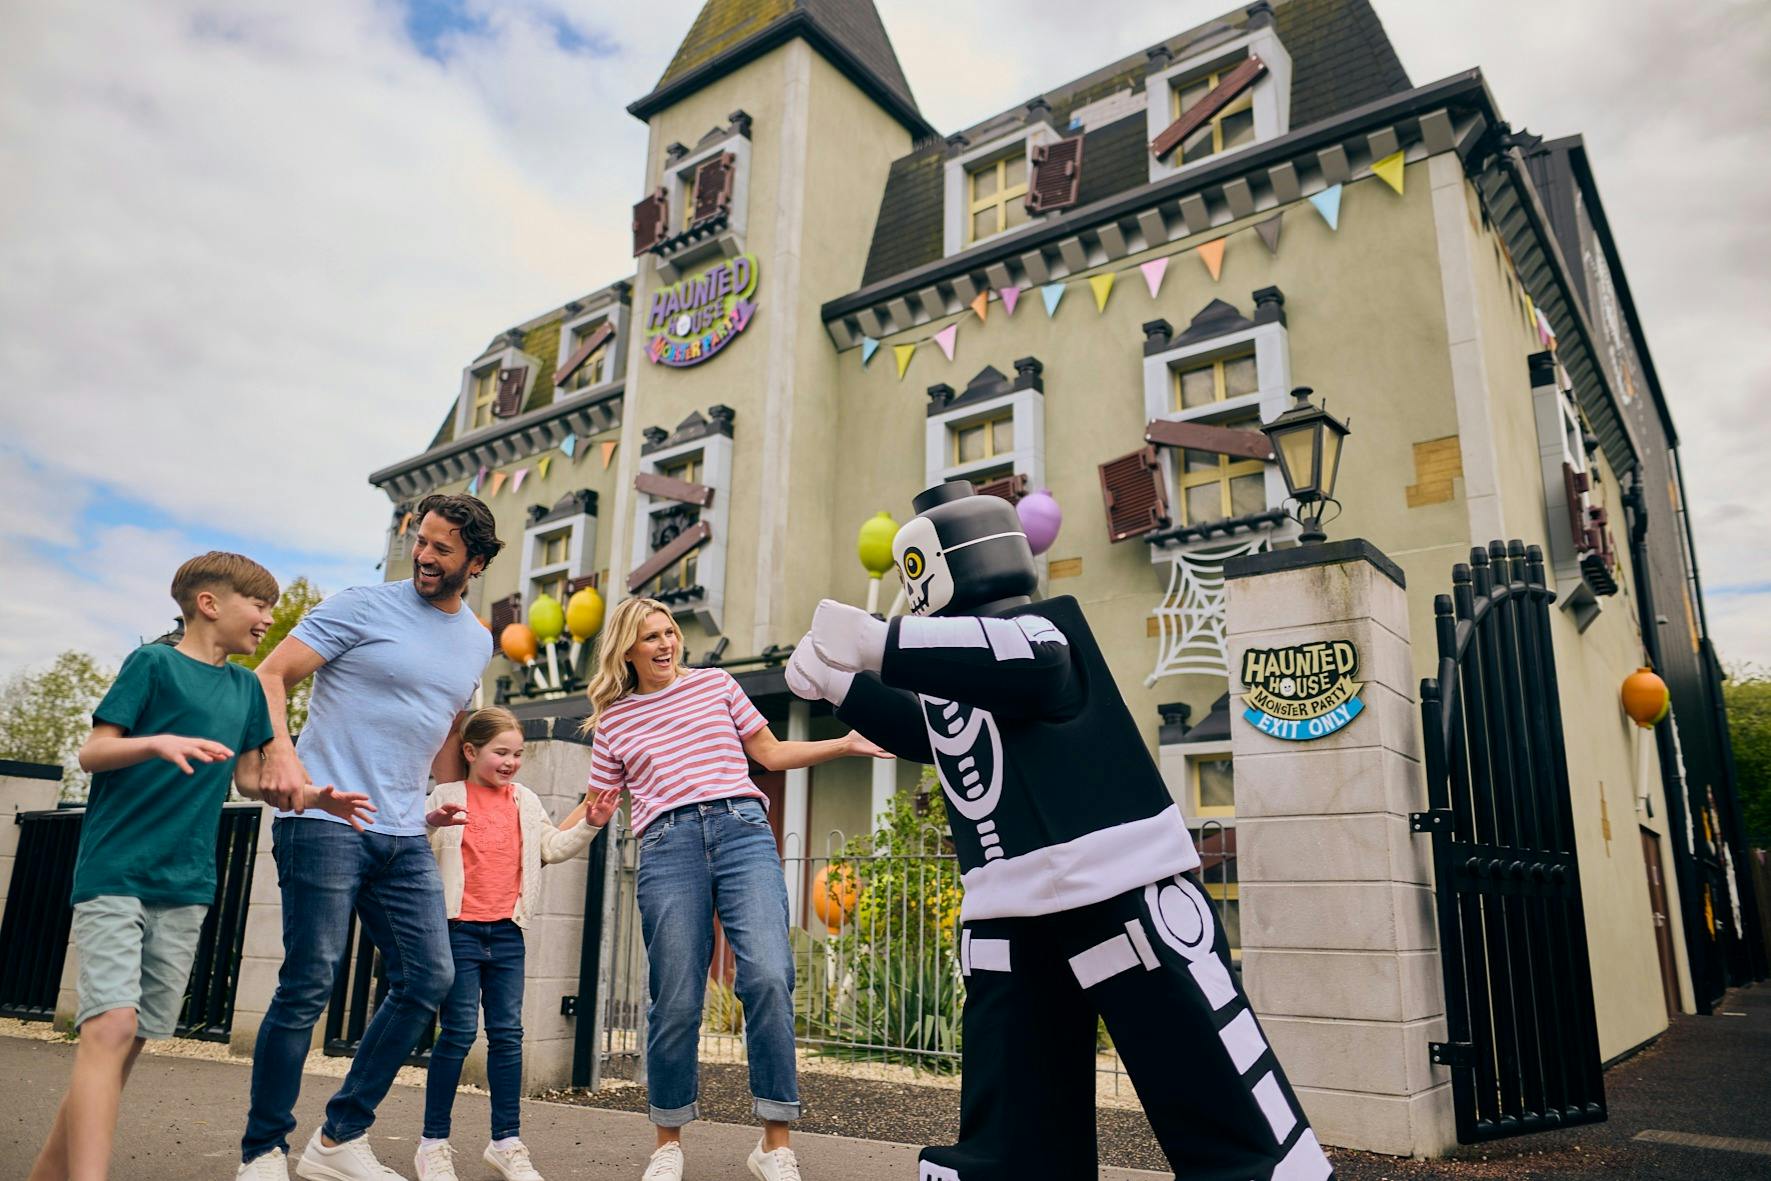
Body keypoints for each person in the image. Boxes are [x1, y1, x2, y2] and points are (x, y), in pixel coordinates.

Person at [789, 481, 1333, 1181]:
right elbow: (930, 734)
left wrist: (877, 643)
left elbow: (1016, 660)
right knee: (1017, 1064)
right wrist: (843, 689)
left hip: (1115, 884)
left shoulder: (1042, 632)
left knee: (1188, 1048)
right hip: (1008, 902)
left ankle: (1260, 1170)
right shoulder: (951, 685)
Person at [28, 553, 373, 1181]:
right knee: (110, 1027)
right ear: (210, 603)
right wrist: (157, 742)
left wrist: (315, 796)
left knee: (128, 1040)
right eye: (260, 606)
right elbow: (93, 751)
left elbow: (248, 779)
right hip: (116, 871)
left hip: (186, 883)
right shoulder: (152, 665)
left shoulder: (246, 691)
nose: (270, 619)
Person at [238, 494, 503, 1181]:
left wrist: (443, 803)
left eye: (443, 548)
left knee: (429, 978)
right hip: (324, 818)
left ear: (474, 562)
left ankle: (337, 1139)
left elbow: (438, 730)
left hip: (402, 829)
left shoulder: (477, 639)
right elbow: (269, 675)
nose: (424, 555)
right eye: (422, 540)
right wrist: (283, 754)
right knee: (310, 978)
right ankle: (263, 1149)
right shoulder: (361, 604)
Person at [582, 597, 887, 1181]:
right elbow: (595, 808)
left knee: (769, 976)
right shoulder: (615, 720)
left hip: (742, 832)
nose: (665, 644)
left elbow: (768, 753)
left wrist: (845, 744)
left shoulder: (717, 684)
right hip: (668, 847)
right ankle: (667, 1142)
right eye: (650, 637)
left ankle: (774, 1144)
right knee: (675, 996)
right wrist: (540, 842)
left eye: (670, 632)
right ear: (627, 649)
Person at [413, 707, 622, 1181]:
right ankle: (433, 1144)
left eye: (518, 754)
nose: (510, 762)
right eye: (500, 752)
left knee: (508, 1037)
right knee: (460, 1033)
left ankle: (506, 1142)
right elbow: (412, 849)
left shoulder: (524, 800)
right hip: (458, 931)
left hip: (508, 932)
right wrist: (430, 821)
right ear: (470, 751)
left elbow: (551, 848)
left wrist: (589, 823)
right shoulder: (446, 794)